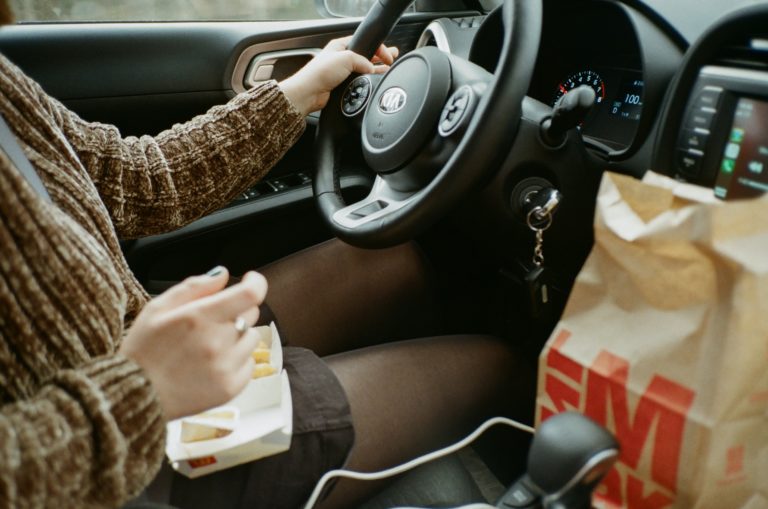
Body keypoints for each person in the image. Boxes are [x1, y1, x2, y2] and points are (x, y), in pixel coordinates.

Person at [0, 3, 535, 508]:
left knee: (400, 262)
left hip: (127, 336)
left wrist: (296, 94)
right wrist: (140, 391)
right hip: (121, 453)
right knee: (503, 367)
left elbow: (132, 179)